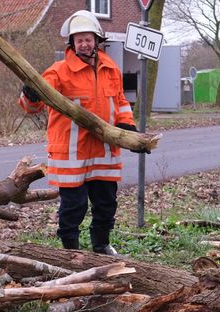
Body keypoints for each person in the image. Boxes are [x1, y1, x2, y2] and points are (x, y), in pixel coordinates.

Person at [18, 10, 142, 256]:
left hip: (104, 152)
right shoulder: (58, 71)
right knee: (73, 207)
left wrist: (127, 126)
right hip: (71, 154)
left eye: (88, 39)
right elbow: (32, 107)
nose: (84, 44)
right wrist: (30, 95)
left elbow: (120, 103)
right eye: (79, 40)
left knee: (106, 204)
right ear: (72, 43)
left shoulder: (111, 69)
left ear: (97, 40)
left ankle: (101, 246)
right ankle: (70, 252)